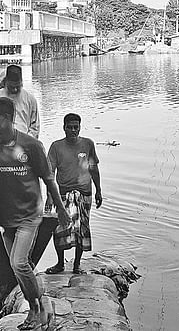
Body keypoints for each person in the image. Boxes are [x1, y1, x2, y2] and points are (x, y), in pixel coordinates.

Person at [0, 98, 70, 330]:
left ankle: (37, 309)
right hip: (5, 217)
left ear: (6, 118)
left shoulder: (31, 145)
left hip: (30, 214)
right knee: (18, 265)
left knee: (18, 263)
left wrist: (61, 209)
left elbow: (48, 179)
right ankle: (40, 303)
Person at [45, 113, 103, 275]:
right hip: (63, 193)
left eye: (75, 127)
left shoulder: (88, 144)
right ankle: (60, 263)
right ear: (64, 128)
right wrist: (50, 196)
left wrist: (99, 190)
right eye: (69, 127)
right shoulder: (56, 147)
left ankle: (77, 265)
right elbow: (50, 173)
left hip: (84, 192)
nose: (73, 130)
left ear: (80, 127)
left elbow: (93, 168)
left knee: (81, 229)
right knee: (58, 229)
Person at [0, 64, 39, 142]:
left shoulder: (30, 100)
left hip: (23, 146)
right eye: (12, 87)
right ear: (6, 82)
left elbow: (34, 127)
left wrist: (25, 143)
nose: (15, 90)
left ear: (22, 82)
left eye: (18, 86)